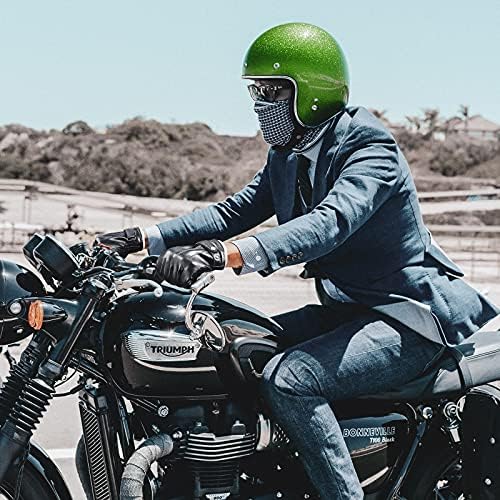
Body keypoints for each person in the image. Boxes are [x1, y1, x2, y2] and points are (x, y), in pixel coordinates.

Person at [96, 23, 499, 499]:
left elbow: (330, 222)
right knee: (239, 348)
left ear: (310, 92)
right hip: (350, 311)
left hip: (407, 316)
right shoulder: (287, 155)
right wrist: (143, 237)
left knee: (292, 380)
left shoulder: (370, 147)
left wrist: (223, 255)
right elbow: (234, 211)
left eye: (272, 91)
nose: (259, 103)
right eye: (256, 91)